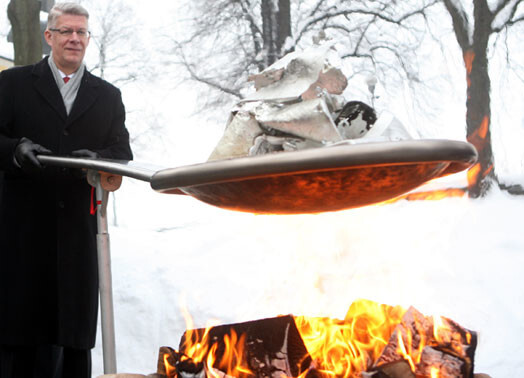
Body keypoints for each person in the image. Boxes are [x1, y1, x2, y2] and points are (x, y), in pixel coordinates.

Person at [0, 2, 133, 377]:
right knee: (20, 331)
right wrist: (14, 150)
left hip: (78, 231)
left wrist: (98, 159)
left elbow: (122, 153)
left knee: (72, 332)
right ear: (49, 36)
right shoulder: (12, 84)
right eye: (66, 31)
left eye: (81, 32)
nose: (74, 39)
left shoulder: (107, 96)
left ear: (88, 40)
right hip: (22, 230)